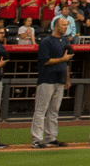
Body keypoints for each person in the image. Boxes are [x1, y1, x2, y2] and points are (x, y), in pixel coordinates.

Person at [30, 20, 70, 149]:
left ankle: (51, 138)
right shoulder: (46, 42)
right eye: (63, 25)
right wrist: (62, 60)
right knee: (41, 110)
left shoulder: (65, 42)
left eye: (66, 25)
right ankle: (36, 139)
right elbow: (44, 61)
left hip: (60, 79)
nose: (65, 27)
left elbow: (67, 63)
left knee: (54, 110)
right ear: (56, 26)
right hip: (47, 78)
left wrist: (67, 79)